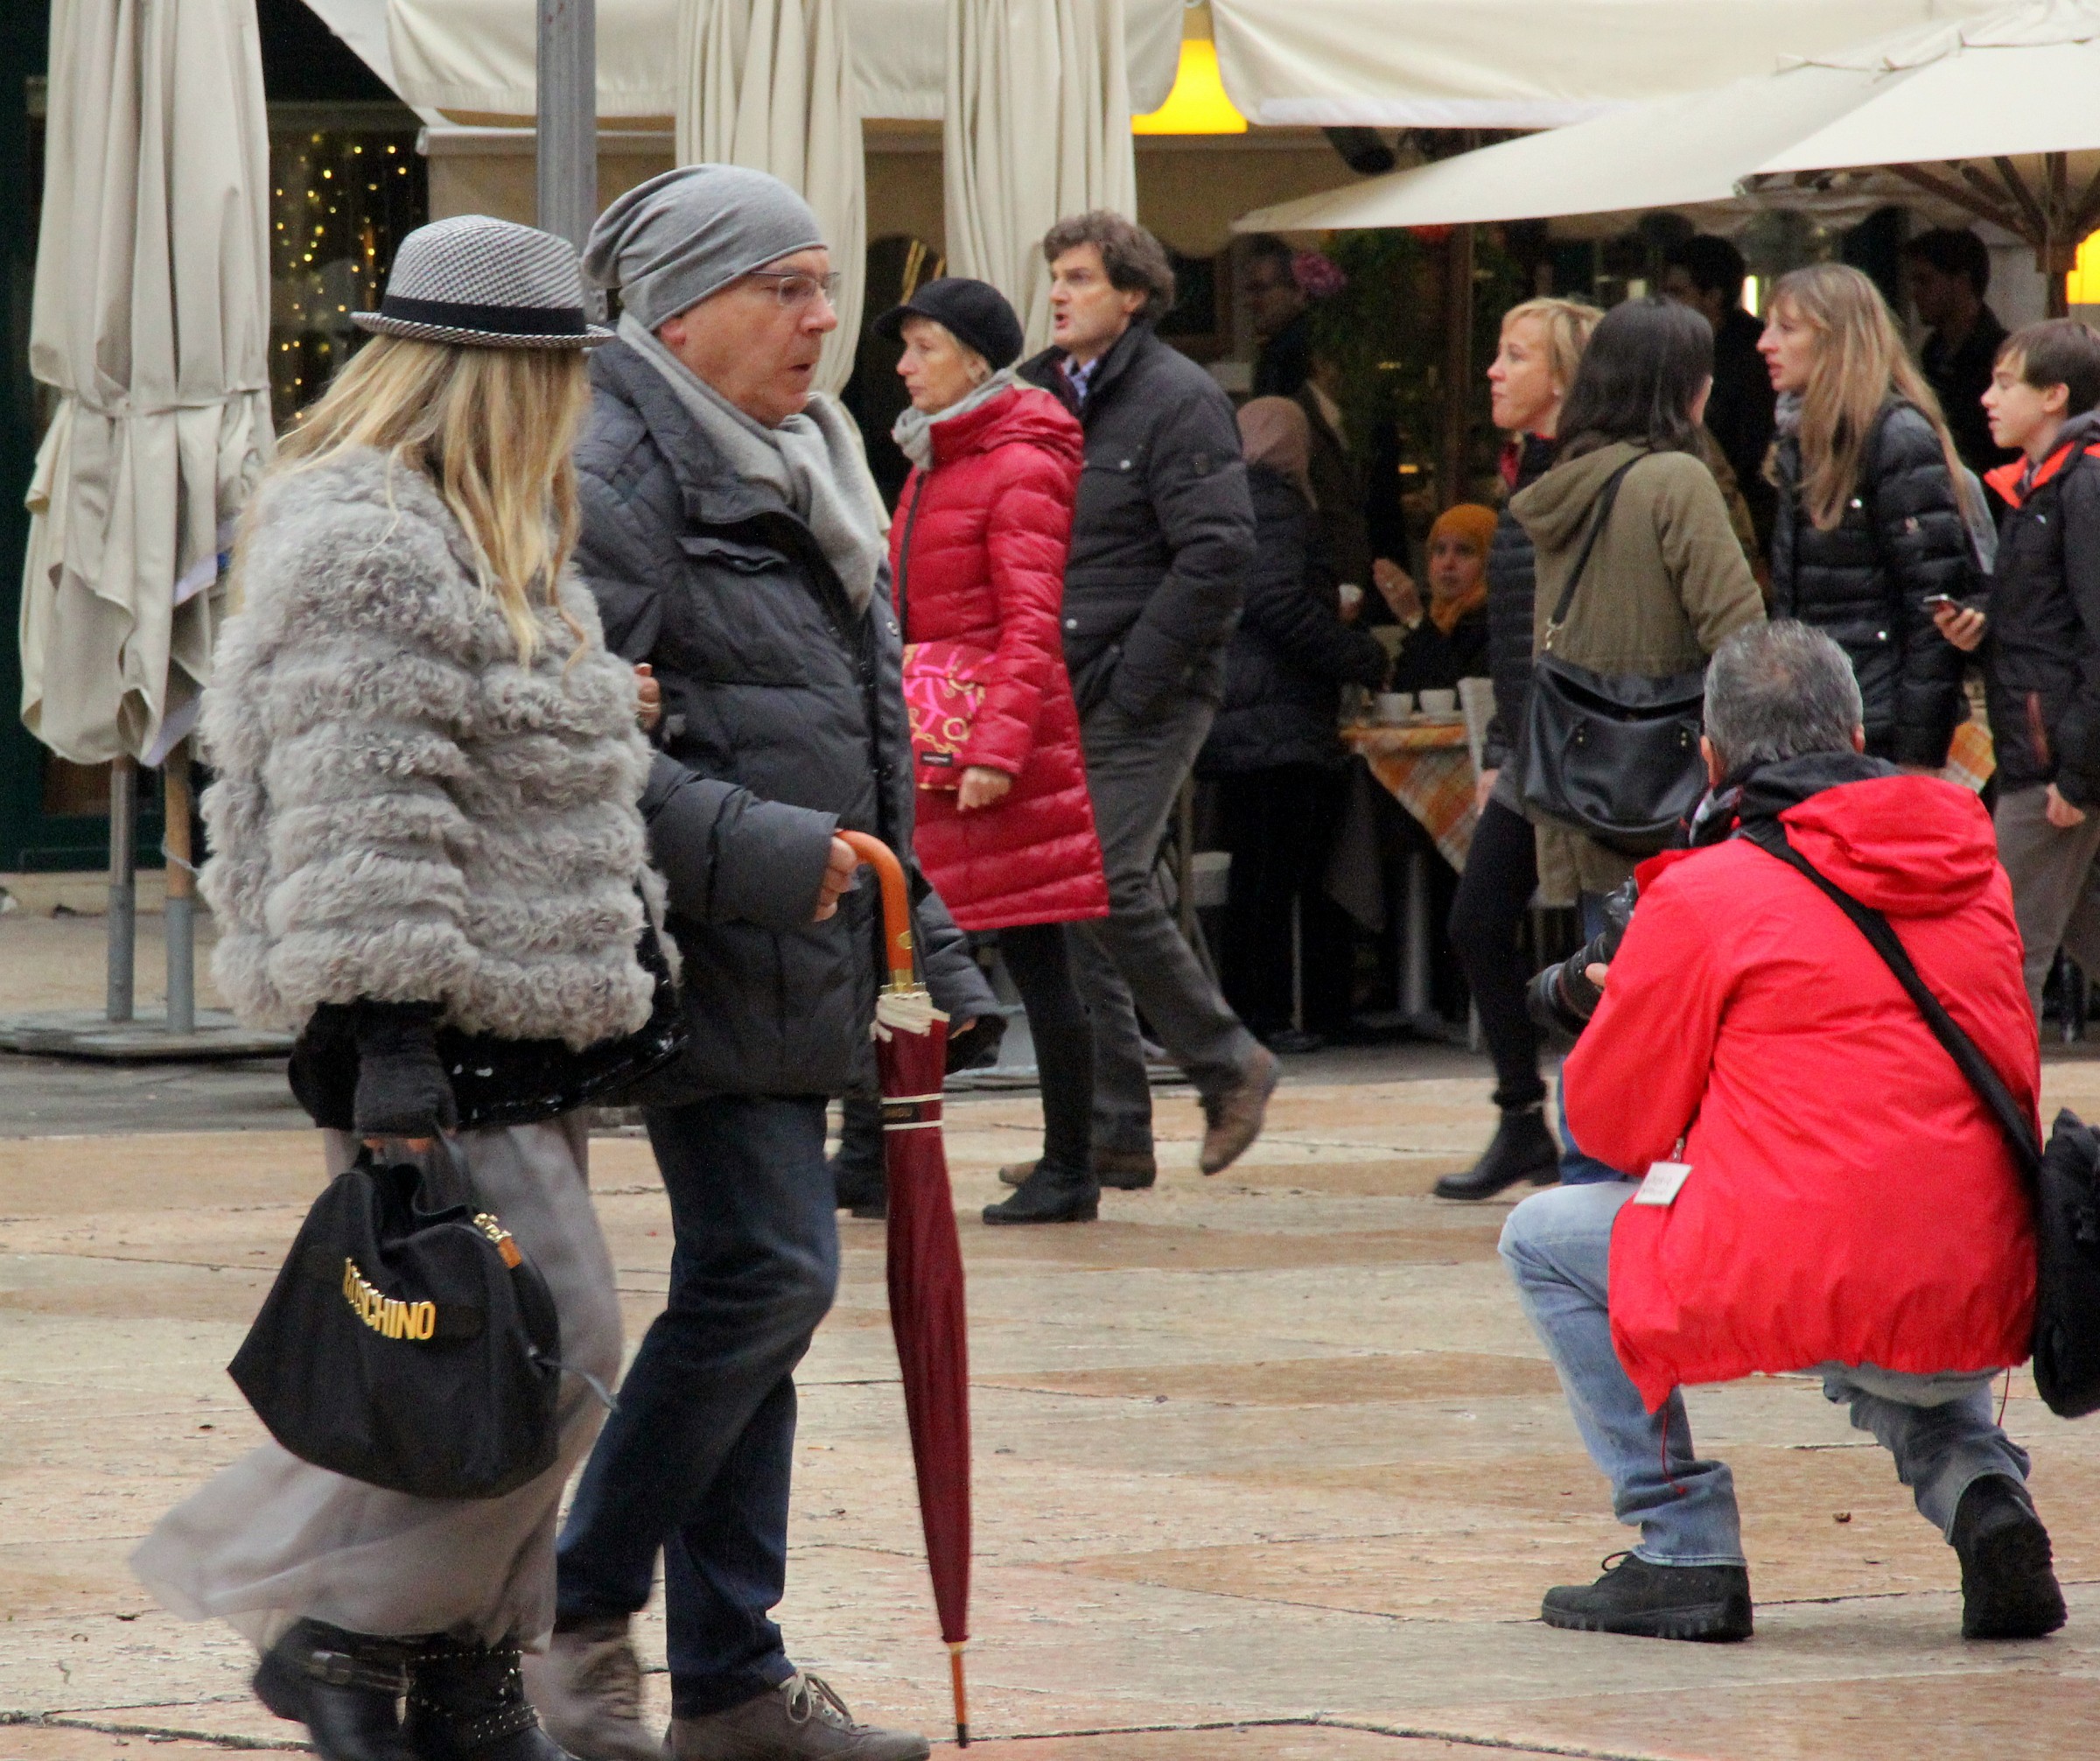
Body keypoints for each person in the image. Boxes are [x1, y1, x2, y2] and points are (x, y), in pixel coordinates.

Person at [130, 216, 675, 1761]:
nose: (581, 398)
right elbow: (367, 801)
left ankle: (465, 1676)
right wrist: (390, 1046)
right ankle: (344, 1636)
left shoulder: (494, 527)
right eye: (566, 368)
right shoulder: (372, 538)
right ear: (504, 378)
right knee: (542, 1349)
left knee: (502, 1359)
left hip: (524, 1016)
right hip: (433, 1025)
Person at [533, 165, 998, 1761]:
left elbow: (858, 746)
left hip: (803, 942)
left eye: (823, 284)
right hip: (696, 949)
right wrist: (785, 860)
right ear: (680, 310)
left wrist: (923, 943)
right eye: (784, 287)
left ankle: (730, 1677)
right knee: (771, 1273)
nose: (825, 317)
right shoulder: (613, 463)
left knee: (761, 1310)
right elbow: (570, 740)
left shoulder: (811, 456)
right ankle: (581, 1600)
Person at [1501, 620, 2064, 1645]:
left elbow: (1610, 1123)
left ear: (1711, 757)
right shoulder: (1977, 866)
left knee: (1543, 1239)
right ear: (1855, 728)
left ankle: (1683, 1545)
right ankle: (1987, 1492)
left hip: (1817, 1260)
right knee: (1881, 1297)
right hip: (1989, 1263)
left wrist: (1625, 1011)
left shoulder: (1705, 892)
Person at [1012, 210, 1271, 1189]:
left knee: (1105, 880)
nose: (1061, 293)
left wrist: (1141, 671)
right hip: (1065, 681)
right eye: (1056, 277)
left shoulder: (1177, 395)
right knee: (1078, 897)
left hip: (1146, 684)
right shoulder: (1042, 392)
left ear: (1133, 293)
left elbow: (1219, 550)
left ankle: (1228, 1062)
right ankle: (1116, 1127)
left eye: (1080, 276)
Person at [872, 275, 1112, 1225]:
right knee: (897, 933)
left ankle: (1071, 1165)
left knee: (1036, 950)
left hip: (990, 745)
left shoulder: (1017, 461)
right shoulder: (941, 454)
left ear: (975, 359)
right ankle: (871, 1152)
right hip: (938, 731)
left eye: (922, 347)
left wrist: (998, 750)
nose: (902, 365)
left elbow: (1029, 623)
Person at [1436, 297, 1600, 1203]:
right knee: (1477, 919)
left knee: (1600, 936)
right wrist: (1504, 734)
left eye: (1516, 354)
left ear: (1565, 376)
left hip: (1585, 742)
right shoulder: (1527, 470)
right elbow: (1515, 629)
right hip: (1533, 741)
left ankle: (1603, 1129)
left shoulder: (1582, 475)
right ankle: (1520, 1118)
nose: (1495, 370)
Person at [1198, 396, 1390, 1049]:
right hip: (1278, 721)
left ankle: (1257, 1011)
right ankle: (1268, 1015)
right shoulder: (1277, 504)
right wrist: (1359, 655)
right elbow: (1278, 602)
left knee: (1259, 871)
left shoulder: (1226, 502)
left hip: (1240, 714)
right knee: (1276, 874)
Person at [1935, 318, 2100, 1013]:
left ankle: (2001, 1124)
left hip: (2055, 765)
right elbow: (2050, 625)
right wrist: (1982, 626)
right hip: (2049, 753)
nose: (1987, 399)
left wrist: (2078, 770)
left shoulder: (2081, 487)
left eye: (2006, 383)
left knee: (2004, 956)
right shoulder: (2041, 487)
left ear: (2055, 395)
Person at [1761, 263, 1975, 770]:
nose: (1765, 343)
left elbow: (1933, 607)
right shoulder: (1802, 437)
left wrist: (1919, 753)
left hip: (1879, 724)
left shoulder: (1895, 434)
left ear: (1839, 340)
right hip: (1822, 715)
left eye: (1786, 329)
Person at [1662, 235, 1778, 553]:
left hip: (1746, 525)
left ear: (1712, 297)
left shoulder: (1756, 356)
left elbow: (1752, 455)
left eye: (1677, 292)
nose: (1667, 303)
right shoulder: (1677, 349)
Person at [1904, 228, 2018, 480]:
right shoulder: (1933, 352)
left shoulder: (2003, 356)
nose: (1914, 293)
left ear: (1961, 283)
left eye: (1925, 280)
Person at [1382, 502, 1494, 694]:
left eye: (1464, 551)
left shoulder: (1498, 623)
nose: (1448, 563)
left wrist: (1416, 620)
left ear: (1490, 560)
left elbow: (1453, 694)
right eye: (1440, 550)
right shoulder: (1436, 619)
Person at [1244, 233, 1312, 398]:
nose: (1249, 301)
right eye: (1249, 290)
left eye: (1260, 289)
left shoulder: (1293, 351)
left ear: (1298, 291)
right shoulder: (1276, 348)